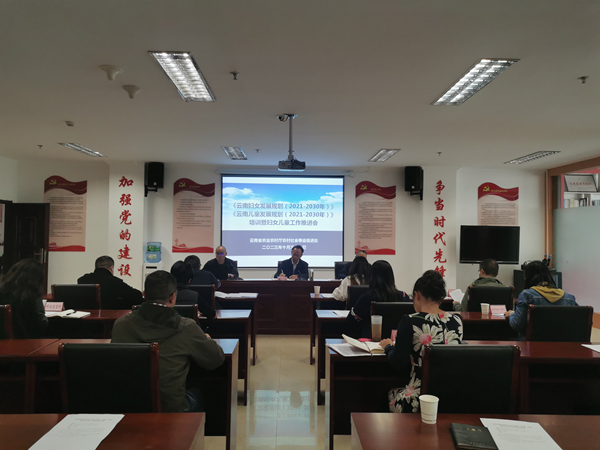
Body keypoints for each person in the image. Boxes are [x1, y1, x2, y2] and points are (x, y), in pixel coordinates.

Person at [111, 270, 225, 412]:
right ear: (172, 297)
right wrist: (206, 339)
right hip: (170, 410)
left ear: (144, 294)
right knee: (204, 390)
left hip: (128, 407)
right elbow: (216, 360)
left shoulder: (121, 324)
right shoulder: (186, 327)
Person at [381, 270, 463, 413]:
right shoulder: (457, 320)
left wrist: (388, 347)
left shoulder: (410, 321)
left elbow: (398, 362)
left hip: (418, 399)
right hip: (451, 397)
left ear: (417, 295)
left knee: (386, 393)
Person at [504, 260, 577, 339]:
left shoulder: (527, 295)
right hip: (562, 344)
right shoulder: (569, 298)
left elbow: (517, 325)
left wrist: (512, 314)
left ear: (527, 278)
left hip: (532, 345)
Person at [346, 260, 410, 337]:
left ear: (372, 277)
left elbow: (351, 320)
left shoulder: (367, 297)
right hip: (396, 340)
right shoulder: (404, 296)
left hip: (371, 341)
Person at [0, 258, 48, 339]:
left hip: (4, 342)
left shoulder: (2, 291)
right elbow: (41, 322)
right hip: (29, 341)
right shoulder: (32, 294)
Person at [78, 256, 143, 309]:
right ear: (111, 268)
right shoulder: (115, 281)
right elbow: (136, 295)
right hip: (109, 319)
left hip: (85, 318)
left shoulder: (82, 280)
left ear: (95, 269)